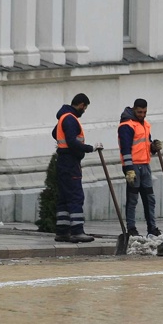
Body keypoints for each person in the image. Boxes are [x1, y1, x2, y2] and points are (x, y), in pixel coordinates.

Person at [52, 93, 97, 243]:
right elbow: (71, 142)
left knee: (64, 198)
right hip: (70, 162)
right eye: (85, 108)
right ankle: (78, 231)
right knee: (76, 196)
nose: (84, 111)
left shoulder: (63, 117)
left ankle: (62, 232)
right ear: (81, 105)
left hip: (64, 161)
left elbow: (55, 133)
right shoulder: (70, 119)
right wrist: (90, 148)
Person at [118, 98, 163, 237]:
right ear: (134, 109)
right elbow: (125, 149)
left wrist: (153, 148)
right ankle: (131, 228)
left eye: (144, 112)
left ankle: (152, 228)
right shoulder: (127, 126)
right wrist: (129, 169)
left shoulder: (145, 125)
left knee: (149, 198)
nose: (142, 115)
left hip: (145, 165)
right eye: (139, 112)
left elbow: (145, 145)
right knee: (133, 199)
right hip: (133, 166)